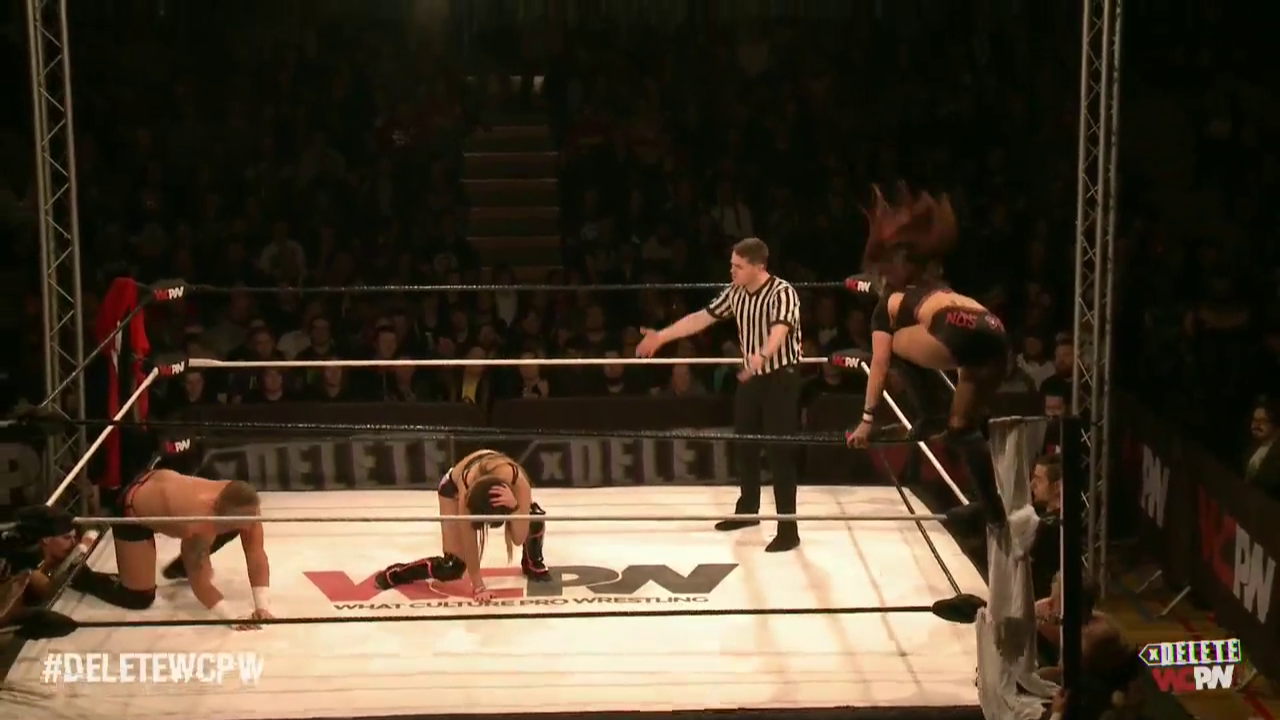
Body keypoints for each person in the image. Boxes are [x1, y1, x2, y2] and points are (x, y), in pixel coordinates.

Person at [844, 185, 1009, 527]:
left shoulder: (887, 305)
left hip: (955, 329)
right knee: (962, 428)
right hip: (993, 329)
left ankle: (930, 413)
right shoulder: (935, 288)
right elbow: (967, 335)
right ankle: (992, 509)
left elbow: (880, 363)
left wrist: (867, 419)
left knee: (891, 345)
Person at [636, 237, 805, 552]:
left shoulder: (782, 292)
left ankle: (788, 529)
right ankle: (748, 509)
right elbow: (701, 318)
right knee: (744, 443)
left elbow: (780, 331)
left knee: (780, 452)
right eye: (731, 265)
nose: (732, 271)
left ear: (758, 266)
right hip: (751, 376)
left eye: (738, 266)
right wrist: (662, 336)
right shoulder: (736, 292)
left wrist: (762, 356)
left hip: (781, 376)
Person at [69, 460, 274, 630]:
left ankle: (180, 564)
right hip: (134, 509)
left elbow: (256, 553)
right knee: (138, 598)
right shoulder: (198, 520)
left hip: (160, 480)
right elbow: (199, 580)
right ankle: (80, 575)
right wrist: (231, 616)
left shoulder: (243, 502)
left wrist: (262, 607)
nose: (251, 524)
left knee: (241, 527)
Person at [373, 448, 550, 601]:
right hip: (452, 488)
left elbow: (518, 538)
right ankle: (397, 573)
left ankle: (532, 562)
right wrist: (478, 587)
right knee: (451, 567)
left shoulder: (518, 481)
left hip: (502, 486)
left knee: (533, 517)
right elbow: (469, 540)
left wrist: (514, 507)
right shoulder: (466, 493)